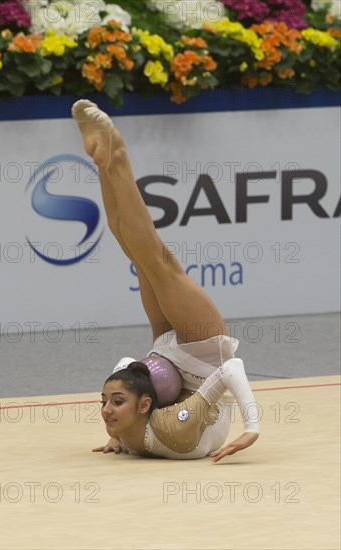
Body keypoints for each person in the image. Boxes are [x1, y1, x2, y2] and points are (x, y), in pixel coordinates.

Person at [71, 100, 260, 462]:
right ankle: (117, 157)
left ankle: (104, 162)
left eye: (110, 402)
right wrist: (252, 428)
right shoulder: (171, 428)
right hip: (203, 353)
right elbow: (230, 368)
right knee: (157, 260)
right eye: (112, 404)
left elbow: (127, 364)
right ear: (144, 406)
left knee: (138, 256)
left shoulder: (133, 428)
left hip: (164, 355)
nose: (106, 411)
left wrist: (118, 435)